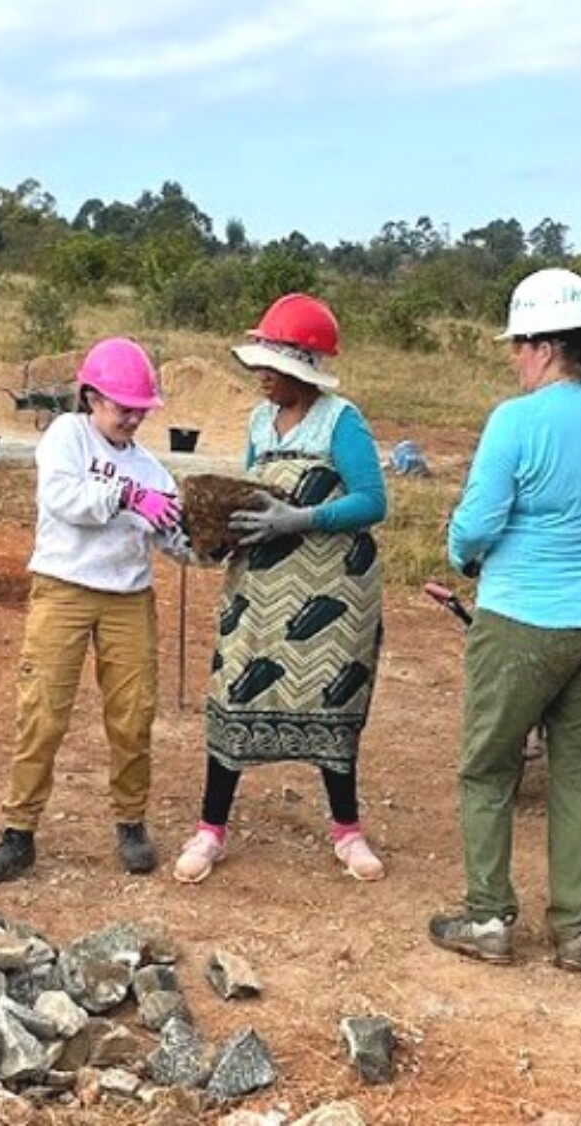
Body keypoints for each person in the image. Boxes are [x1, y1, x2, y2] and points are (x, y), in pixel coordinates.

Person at [429, 268, 581, 974]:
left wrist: (462, 552)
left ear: (539, 345)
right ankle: (578, 929)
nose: (513, 360)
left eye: (516, 346)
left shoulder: (517, 421)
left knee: (488, 768)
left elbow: (476, 527)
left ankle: (490, 917)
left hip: (522, 618)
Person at [172, 294, 390, 886]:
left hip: (333, 591)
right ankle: (210, 829)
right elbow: (248, 488)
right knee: (235, 691)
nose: (261, 375)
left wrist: (300, 520)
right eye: (260, 364)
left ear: (305, 369)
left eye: (274, 366)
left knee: (331, 702)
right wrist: (223, 532)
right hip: (262, 588)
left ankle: (347, 831)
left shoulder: (342, 421)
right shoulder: (258, 421)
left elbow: (374, 501)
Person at [0, 338, 186, 882]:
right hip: (64, 587)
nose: (133, 418)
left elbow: (168, 533)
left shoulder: (151, 468)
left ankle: (131, 821)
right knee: (43, 710)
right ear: (91, 398)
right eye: (124, 407)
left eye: (141, 409)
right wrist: (124, 498)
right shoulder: (66, 437)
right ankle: (19, 830)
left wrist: (200, 541)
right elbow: (64, 500)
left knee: (133, 714)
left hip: (129, 597)